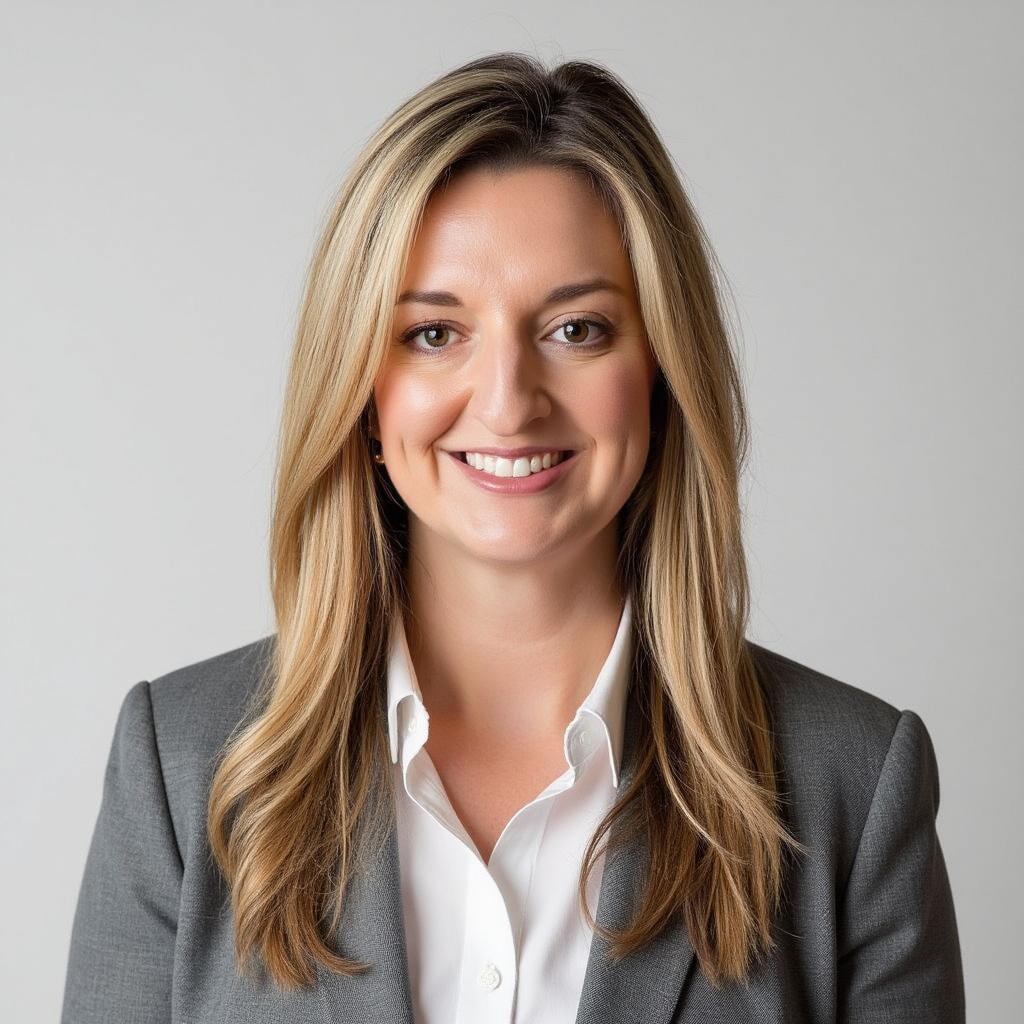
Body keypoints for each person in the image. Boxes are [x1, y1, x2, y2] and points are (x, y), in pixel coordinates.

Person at [62, 52, 966, 1023]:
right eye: (434, 334)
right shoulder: (183, 769)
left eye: (576, 329)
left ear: (661, 372)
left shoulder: (852, 784)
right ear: (364, 392)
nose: (506, 402)